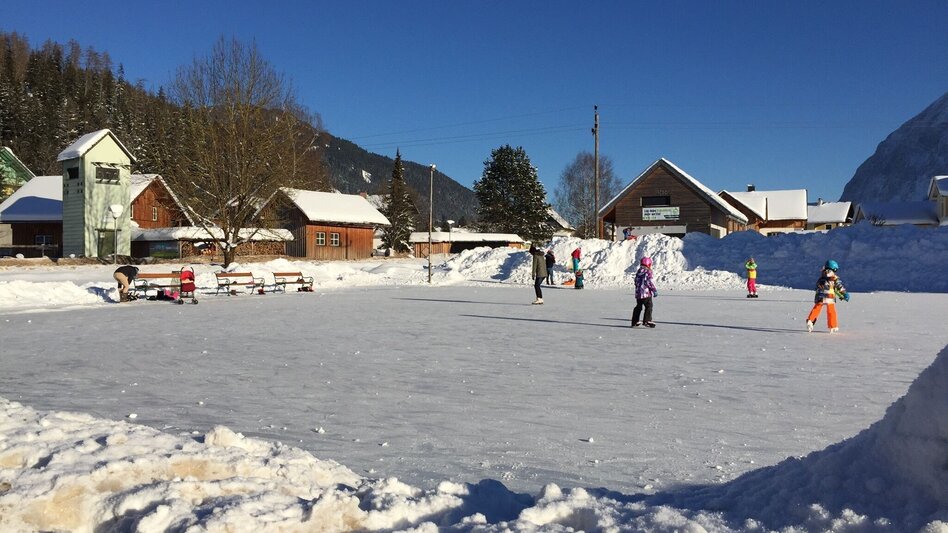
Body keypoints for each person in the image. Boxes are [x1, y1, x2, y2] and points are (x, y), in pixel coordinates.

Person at [806, 259, 850, 333]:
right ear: (833, 268)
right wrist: (844, 293)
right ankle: (833, 326)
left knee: (816, 308)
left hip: (820, 296)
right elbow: (839, 286)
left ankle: (810, 320)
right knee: (831, 311)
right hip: (829, 296)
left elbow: (817, 286)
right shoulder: (834, 277)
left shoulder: (822, 276)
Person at [631, 257, 658, 327]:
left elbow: (636, 282)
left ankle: (635, 321)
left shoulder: (639, 271)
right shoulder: (648, 272)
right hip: (646, 293)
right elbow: (649, 282)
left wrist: (638, 289)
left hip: (638, 294)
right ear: (648, 264)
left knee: (638, 307)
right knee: (649, 306)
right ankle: (647, 320)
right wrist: (654, 290)